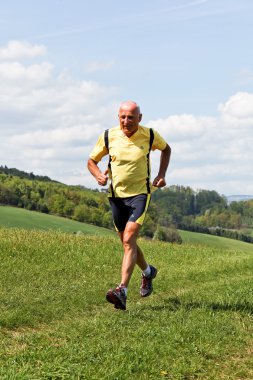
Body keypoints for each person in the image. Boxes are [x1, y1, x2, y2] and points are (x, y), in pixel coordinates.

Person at [87, 100, 171, 310]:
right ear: (118, 117)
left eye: (131, 117)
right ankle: (148, 272)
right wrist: (98, 176)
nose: (126, 121)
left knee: (129, 239)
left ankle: (122, 290)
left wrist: (161, 175)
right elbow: (91, 161)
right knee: (127, 244)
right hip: (116, 196)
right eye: (123, 117)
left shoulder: (149, 135)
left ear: (139, 118)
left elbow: (166, 149)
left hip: (140, 195)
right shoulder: (109, 136)